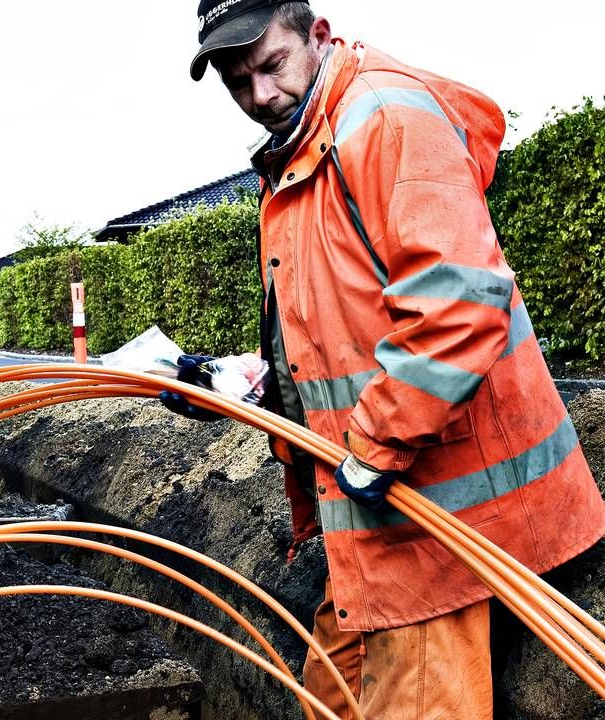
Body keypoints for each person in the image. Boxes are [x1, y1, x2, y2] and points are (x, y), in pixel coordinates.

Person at [166, 2, 605, 717]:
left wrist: (373, 445)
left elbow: (458, 308)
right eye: (238, 81)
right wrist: (253, 378)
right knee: (328, 699)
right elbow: (335, 323)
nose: (260, 95)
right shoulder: (302, 148)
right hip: (372, 521)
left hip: (439, 527)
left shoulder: (384, 121)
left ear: (316, 34)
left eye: (271, 65)